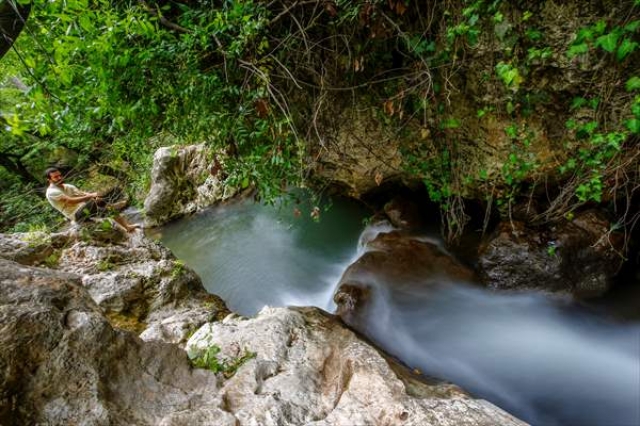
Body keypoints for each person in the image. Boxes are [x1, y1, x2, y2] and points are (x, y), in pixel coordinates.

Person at [45, 167, 140, 233]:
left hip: (86, 210)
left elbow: (82, 193)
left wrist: (93, 196)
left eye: (60, 175)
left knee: (106, 208)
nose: (59, 178)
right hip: (76, 215)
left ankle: (127, 227)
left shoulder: (68, 187)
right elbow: (71, 201)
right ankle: (115, 207)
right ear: (49, 180)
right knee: (97, 201)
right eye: (55, 177)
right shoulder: (52, 192)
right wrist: (92, 196)